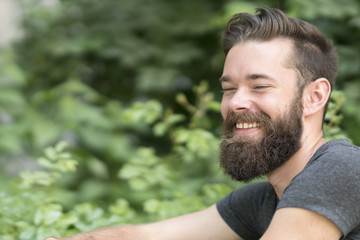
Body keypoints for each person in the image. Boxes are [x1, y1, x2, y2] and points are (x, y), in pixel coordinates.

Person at [46, 8, 360, 240]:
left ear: (314, 96)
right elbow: (136, 237)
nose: (235, 102)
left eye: (260, 86)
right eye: (228, 89)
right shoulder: (261, 203)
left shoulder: (342, 167)